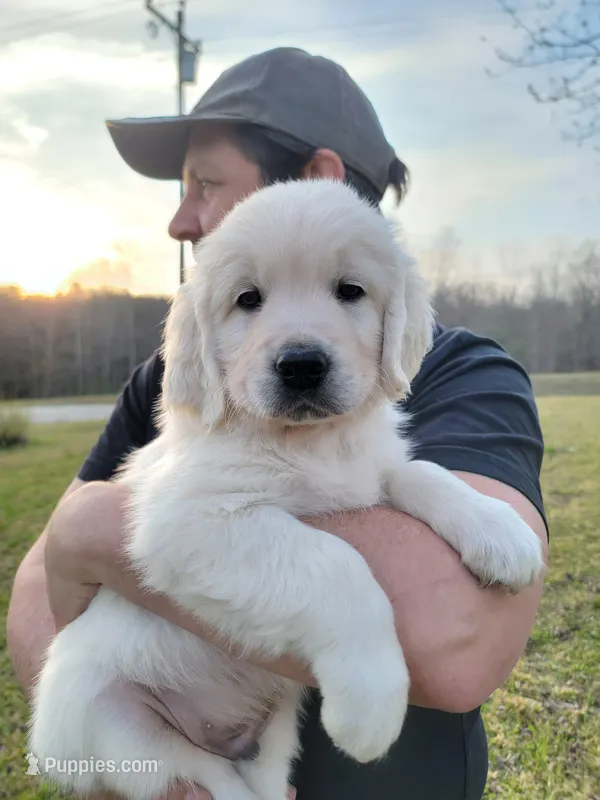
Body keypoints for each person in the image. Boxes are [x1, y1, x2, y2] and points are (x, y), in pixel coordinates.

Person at [7, 47, 549, 800]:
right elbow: (43, 588)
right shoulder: (182, 383)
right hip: (139, 705)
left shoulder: (469, 374)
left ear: (316, 182)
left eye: (205, 183)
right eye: (248, 299)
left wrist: (93, 527)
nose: (180, 218)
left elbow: (458, 643)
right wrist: (116, 764)